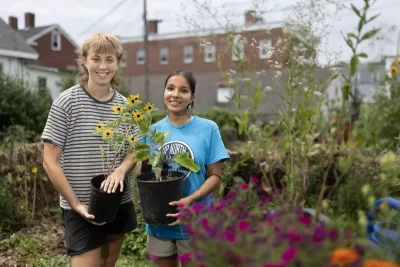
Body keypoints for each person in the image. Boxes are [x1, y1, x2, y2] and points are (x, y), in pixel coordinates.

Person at [42, 32, 140, 267]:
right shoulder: (67, 103)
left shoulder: (125, 107)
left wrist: (120, 171)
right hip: (80, 205)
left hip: (118, 201)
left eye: (110, 59)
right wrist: (75, 204)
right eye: (96, 58)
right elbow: (49, 161)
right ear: (84, 61)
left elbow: (135, 149)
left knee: (108, 262)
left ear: (117, 63)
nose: (103, 66)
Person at [144, 70, 230, 267]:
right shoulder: (152, 131)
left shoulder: (208, 128)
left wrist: (190, 200)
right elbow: (147, 175)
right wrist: (147, 199)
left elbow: (215, 176)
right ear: (164, 92)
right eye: (170, 88)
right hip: (161, 223)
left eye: (183, 90)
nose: (175, 94)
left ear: (192, 97)